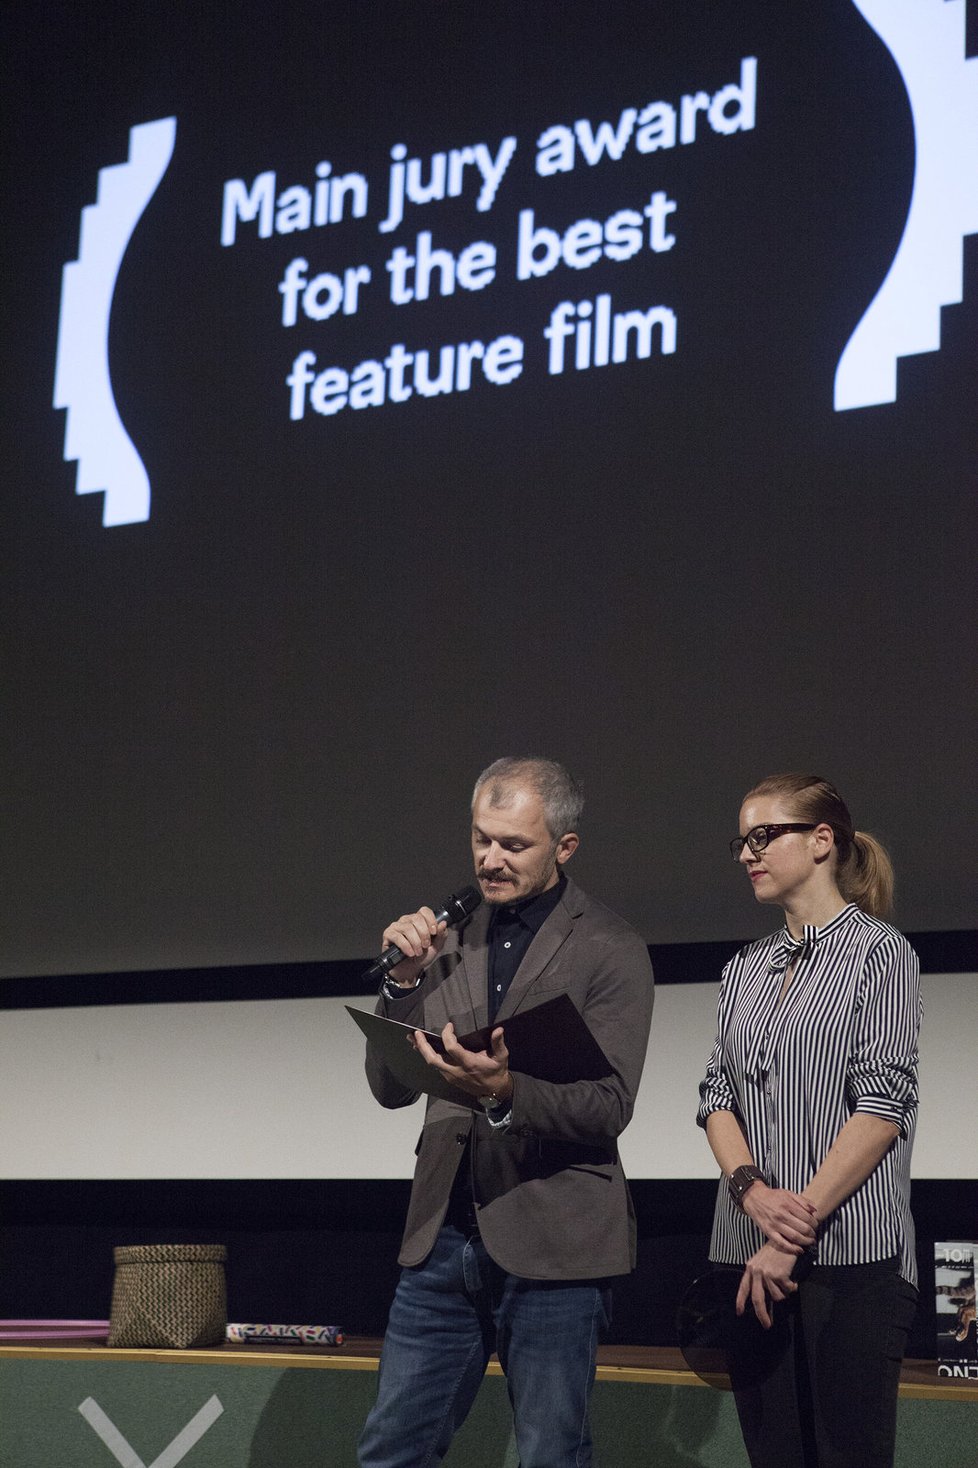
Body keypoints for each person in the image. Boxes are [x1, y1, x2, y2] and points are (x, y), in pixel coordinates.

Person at [358, 756, 654, 1468]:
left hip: (554, 1244)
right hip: (442, 1238)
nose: (490, 859)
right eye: (481, 838)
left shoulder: (609, 948)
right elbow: (390, 1087)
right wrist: (401, 982)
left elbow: (609, 1104)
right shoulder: (445, 941)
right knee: (392, 1449)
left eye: (513, 844)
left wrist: (505, 1092)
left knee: (549, 1455)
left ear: (564, 846)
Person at [697, 773, 921, 1468]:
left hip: (849, 1264)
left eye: (764, 836)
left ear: (822, 841)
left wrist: (791, 1233)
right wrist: (751, 1192)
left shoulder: (881, 954)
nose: (746, 853)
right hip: (744, 1254)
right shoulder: (745, 967)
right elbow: (715, 1095)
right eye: (743, 839)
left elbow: (882, 1107)